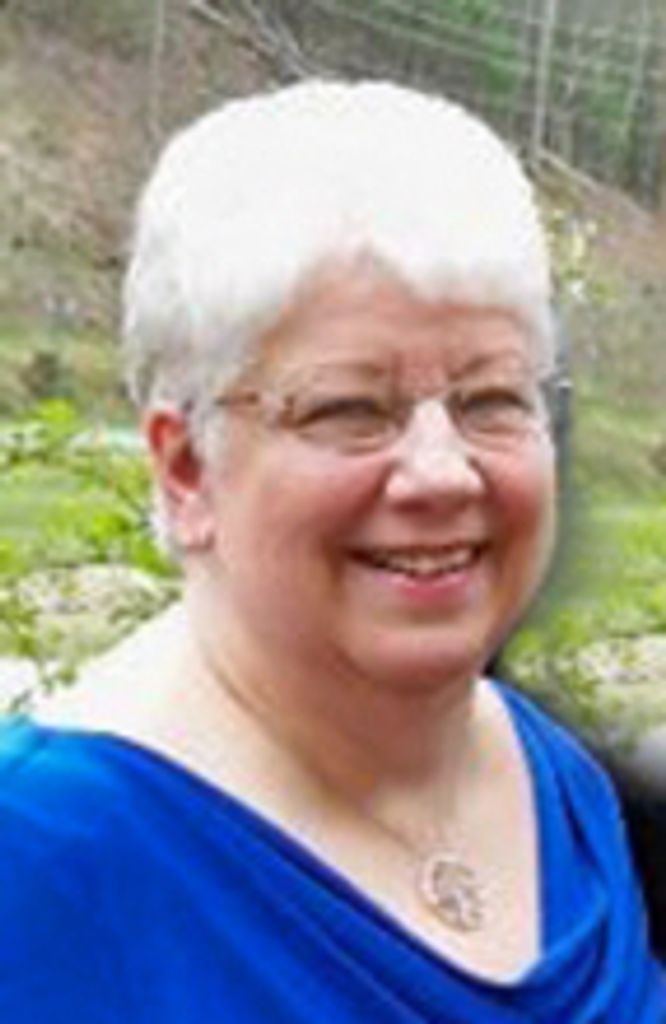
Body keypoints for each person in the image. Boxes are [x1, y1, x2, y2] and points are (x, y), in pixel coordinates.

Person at [0, 79, 663, 1022]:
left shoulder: (562, 790)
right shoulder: (43, 866)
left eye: (491, 399)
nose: (442, 472)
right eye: (350, 408)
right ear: (186, 469)